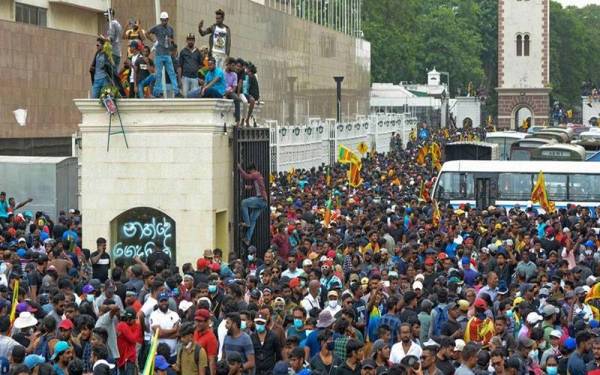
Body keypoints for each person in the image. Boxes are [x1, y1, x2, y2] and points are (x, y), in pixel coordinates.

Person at [147, 11, 181, 98]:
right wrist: (154, 40)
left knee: (172, 73)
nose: (164, 22)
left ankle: (176, 91)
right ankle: (158, 91)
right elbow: (147, 33)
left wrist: (171, 44)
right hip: (159, 54)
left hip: (167, 54)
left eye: (165, 20)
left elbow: (172, 39)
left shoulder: (170, 29)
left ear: (168, 19)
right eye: (162, 20)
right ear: (160, 20)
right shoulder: (157, 28)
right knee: (158, 74)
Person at [237, 163, 267, 246]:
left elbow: (246, 176)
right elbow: (258, 187)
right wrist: (248, 187)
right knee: (253, 220)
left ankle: (247, 222)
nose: (250, 173)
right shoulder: (259, 176)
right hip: (264, 201)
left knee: (244, 203)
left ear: (252, 170)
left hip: (260, 199)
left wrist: (239, 168)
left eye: (249, 171)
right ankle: (247, 239)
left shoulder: (256, 174)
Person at [178, 33, 203, 97]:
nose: (190, 41)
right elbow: (179, 66)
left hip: (195, 78)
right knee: (185, 96)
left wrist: (199, 77)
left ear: (194, 41)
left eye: (192, 40)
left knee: (194, 96)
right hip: (185, 77)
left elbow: (201, 65)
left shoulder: (198, 52)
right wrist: (179, 79)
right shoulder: (183, 51)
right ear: (186, 41)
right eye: (189, 40)